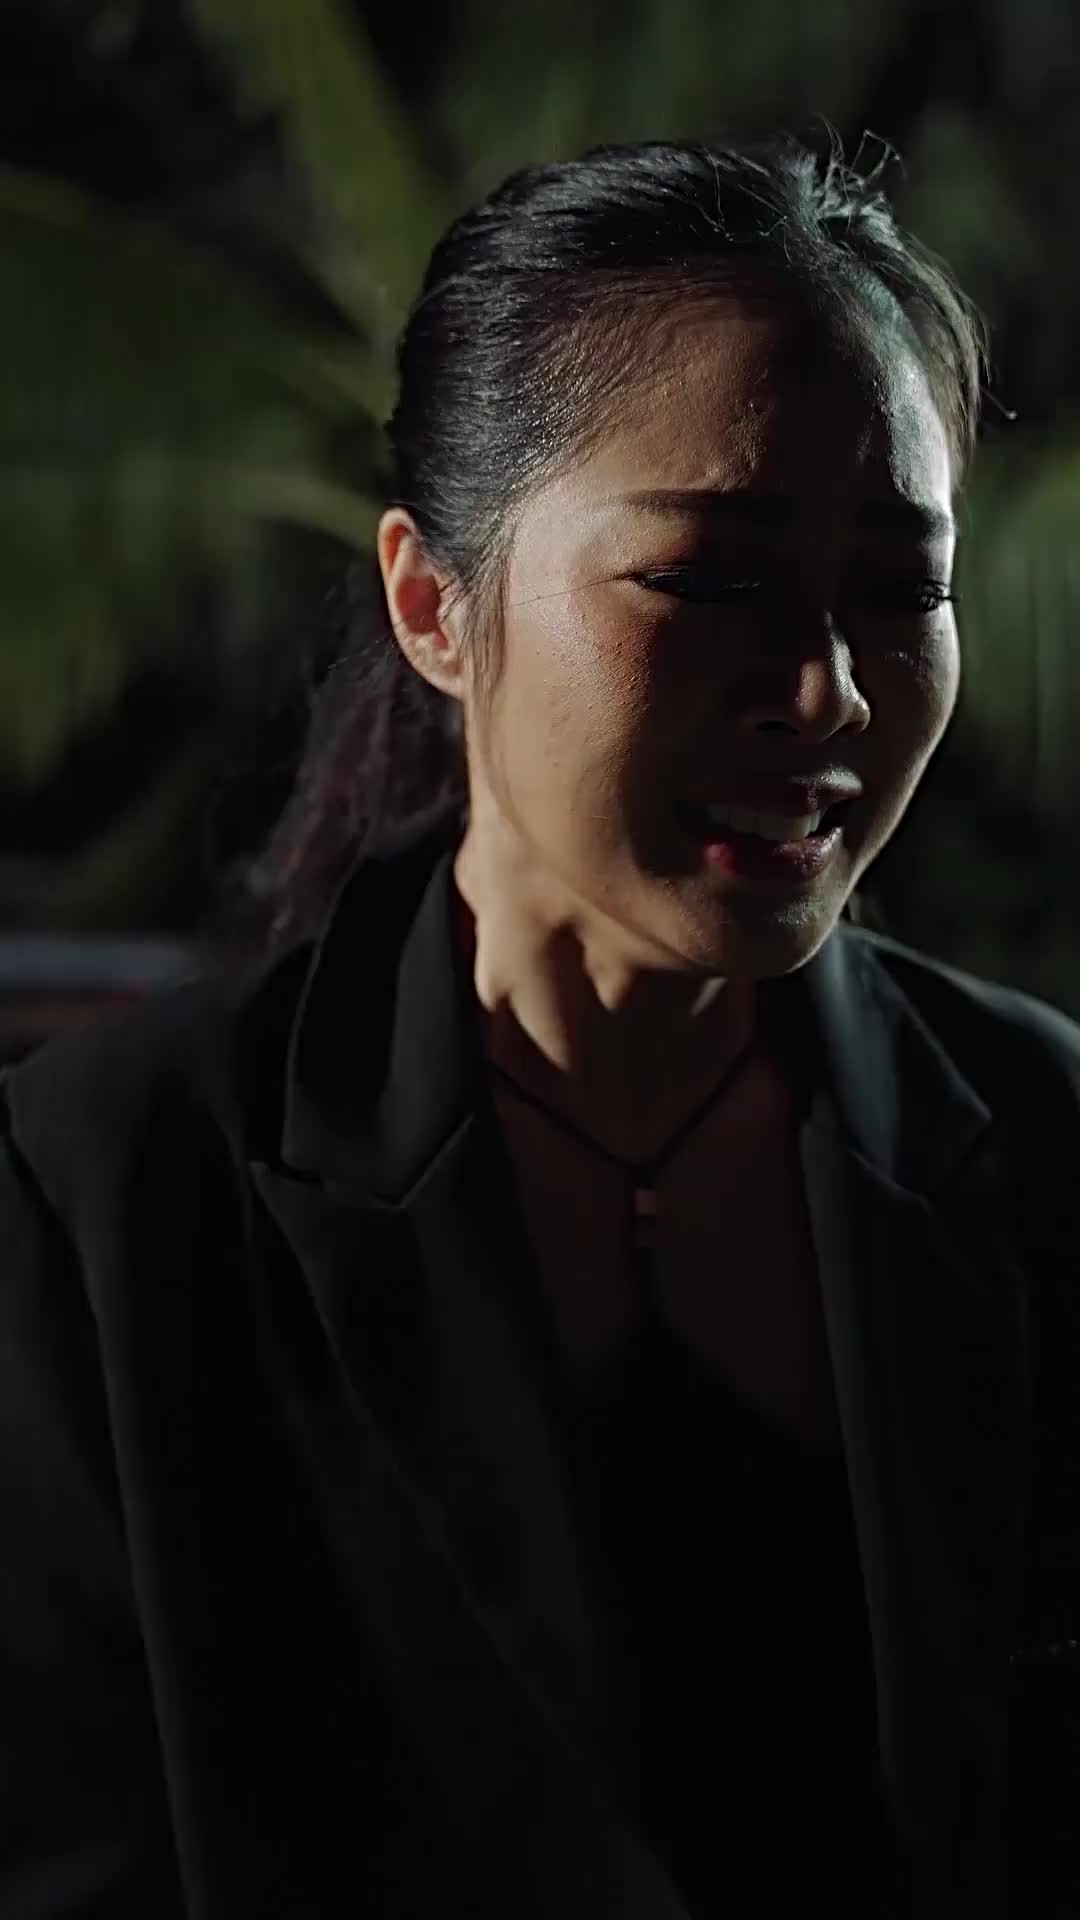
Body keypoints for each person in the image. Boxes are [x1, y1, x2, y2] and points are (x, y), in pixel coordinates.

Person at [1, 136, 1077, 1920]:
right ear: (435, 602)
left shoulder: (1040, 1151)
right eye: (707, 581)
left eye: (901, 594)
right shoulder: (105, 1208)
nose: (826, 692)